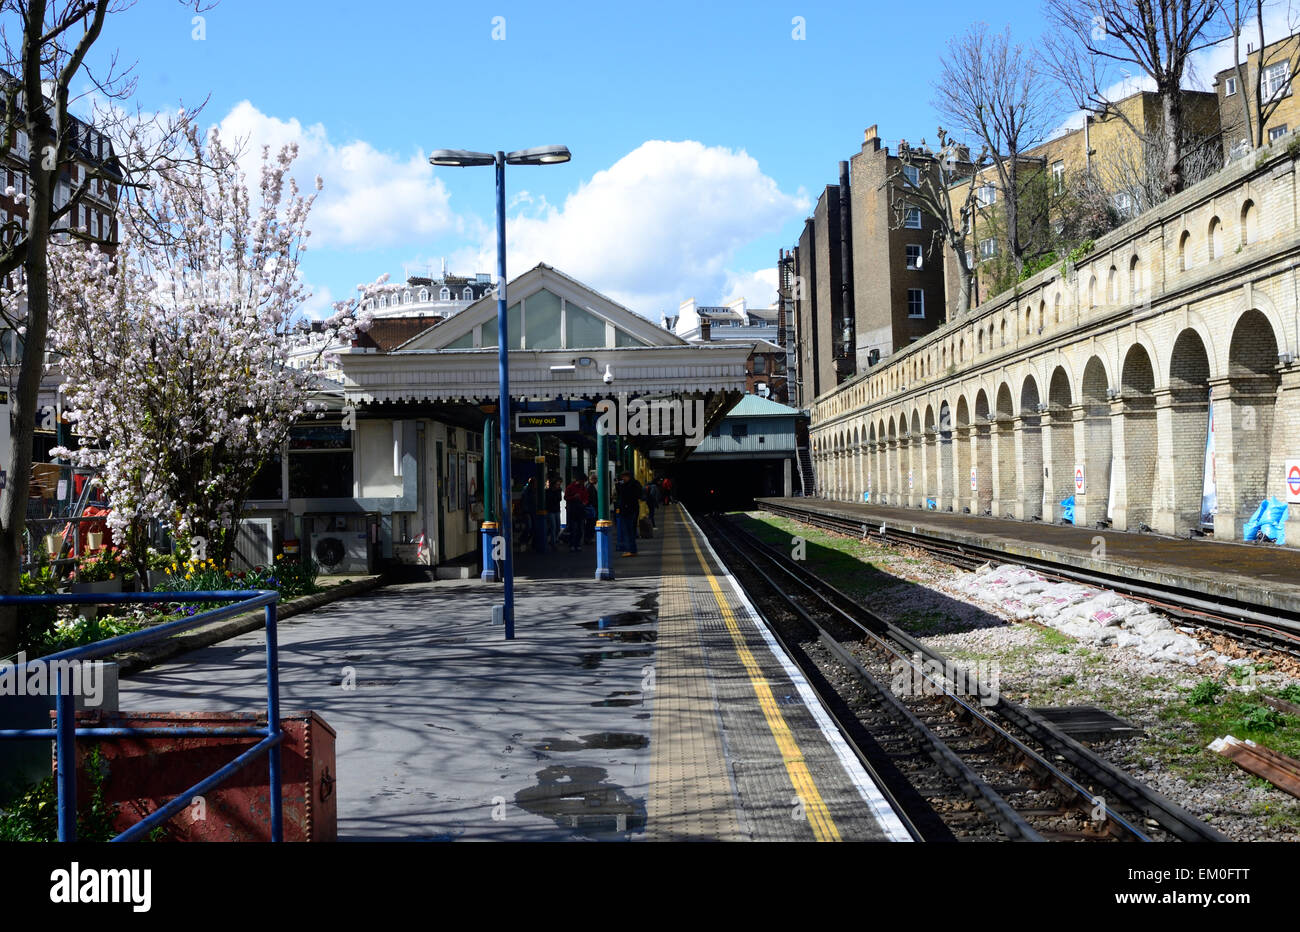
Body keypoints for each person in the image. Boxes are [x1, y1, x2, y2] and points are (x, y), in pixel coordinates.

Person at [616, 470, 643, 556]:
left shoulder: (630, 485)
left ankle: (630, 550)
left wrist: (619, 486)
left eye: (623, 477)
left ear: (628, 477)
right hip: (632, 509)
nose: (623, 479)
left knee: (628, 531)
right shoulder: (636, 483)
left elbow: (624, 495)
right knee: (631, 530)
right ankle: (632, 550)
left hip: (628, 510)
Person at [564, 476, 588, 552]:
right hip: (573, 510)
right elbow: (566, 497)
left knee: (580, 529)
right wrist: (574, 497)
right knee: (574, 529)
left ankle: (577, 544)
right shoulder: (570, 487)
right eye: (583, 481)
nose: (583, 483)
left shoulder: (583, 487)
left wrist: (585, 502)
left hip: (580, 510)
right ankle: (573, 544)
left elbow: (586, 497)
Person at [545, 475, 561, 549]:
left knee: (557, 527)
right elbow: (553, 500)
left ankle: (551, 539)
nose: (558, 486)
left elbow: (559, 499)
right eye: (557, 484)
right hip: (550, 511)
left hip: (556, 510)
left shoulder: (558, 490)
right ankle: (553, 542)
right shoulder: (547, 491)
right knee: (553, 527)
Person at [584, 472, 599, 544]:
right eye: (596, 479)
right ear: (593, 479)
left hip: (590, 507)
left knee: (590, 523)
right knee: (590, 523)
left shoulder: (588, 486)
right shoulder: (590, 487)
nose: (597, 481)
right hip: (591, 507)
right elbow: (591, 498)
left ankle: (588, 538)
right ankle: (588, 538)